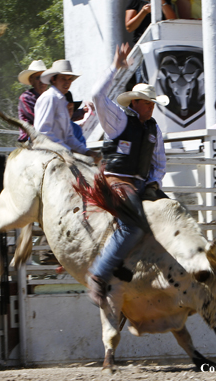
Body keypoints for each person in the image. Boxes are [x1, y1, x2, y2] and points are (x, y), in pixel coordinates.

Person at [87, 43, 169, 307]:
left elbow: (159, 162)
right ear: (135, 102)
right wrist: (115, 68)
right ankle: (98, 275)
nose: (151, 107)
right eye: (147, 103)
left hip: (140, 183)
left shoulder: (154, 130)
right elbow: (98, 96)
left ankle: (132, 269)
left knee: (170, 214)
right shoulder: (121, 120)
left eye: (153, 103)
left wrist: (154, 183)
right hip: (115, 179)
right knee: (133, 225)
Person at [34, 59, 94, 156]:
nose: (67, 82)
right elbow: (43, 132)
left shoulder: (62, 102)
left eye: (69, 79)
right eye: (63, 78)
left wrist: (86, 151)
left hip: (61, 155)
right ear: (53, 79)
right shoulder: (49, 98)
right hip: (47, 155)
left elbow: (69, 137)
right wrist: (69, 150)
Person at [17, 60, 48, 142]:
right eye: (38, 78)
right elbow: (39, 118)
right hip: (29, 140)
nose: (42, 80)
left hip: (47, 137)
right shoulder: (26, 97)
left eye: (44, 77)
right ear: (31, 81)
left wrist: (82, 112)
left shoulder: (49, 97)